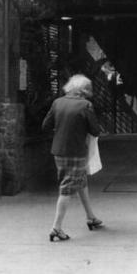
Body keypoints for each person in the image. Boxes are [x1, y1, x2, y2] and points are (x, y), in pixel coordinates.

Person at [42, 74, 103, 242]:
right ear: (84, 90)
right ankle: (56, 228)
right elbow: (95, 130)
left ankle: (91, 217)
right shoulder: (85, 105)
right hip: (76, 151)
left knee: (80, 181)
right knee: (67, 188)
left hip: (58, 151)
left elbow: (45, 126)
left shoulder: (57, 102)